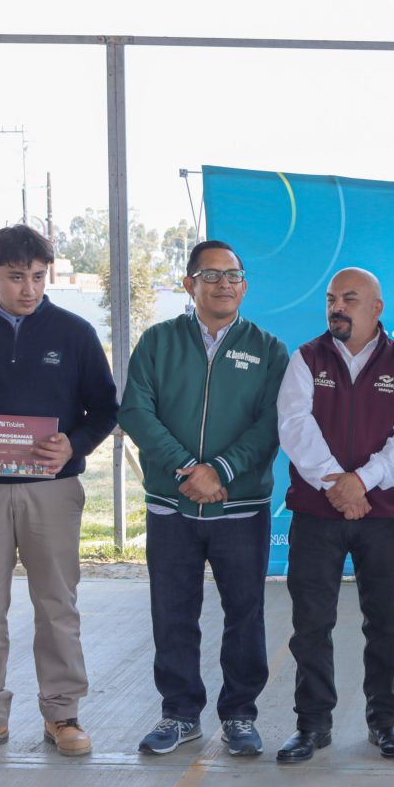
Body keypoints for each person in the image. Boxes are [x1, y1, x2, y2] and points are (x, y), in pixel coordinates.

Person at [0, 224, 118, 761]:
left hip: (52, 493)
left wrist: (72, 447)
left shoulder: (75, 333)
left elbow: (104, 408)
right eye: (15, 278)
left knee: (57, 603)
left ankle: (63, 715)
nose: (29, 289)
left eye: (37, 276)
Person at [118, 240, 288, 757]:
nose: (224, 284)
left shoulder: (268, 349)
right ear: (189, 284)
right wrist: (187, 469)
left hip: (239, 508)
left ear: (245, 285)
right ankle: (179, 713)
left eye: (233, 275)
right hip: (172, 507)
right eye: (211, 275)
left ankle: (239, 714)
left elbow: (273, 425)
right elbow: (136, 412)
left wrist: (222, 471)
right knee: (172, 610)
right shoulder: (157, 342)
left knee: (245, 611)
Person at [274, 268, 394, 763]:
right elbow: (295, 427)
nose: (337, 307)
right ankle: (312, 724)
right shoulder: (306, 358)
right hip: (316, 516)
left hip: (380, 516)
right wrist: (338, 484)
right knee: (311, 622)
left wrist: (362, 481)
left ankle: (386, 721)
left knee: (384, 620)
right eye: (332, 299)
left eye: (350, 299)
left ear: (377, 309)